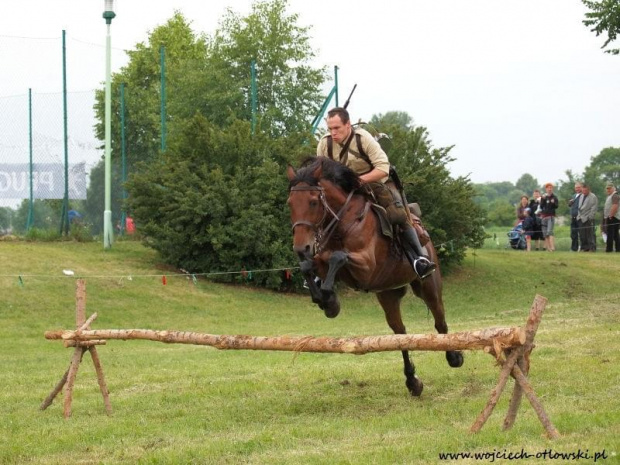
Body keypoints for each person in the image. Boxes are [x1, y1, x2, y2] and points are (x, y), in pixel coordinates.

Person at [316, 107, 435, 279]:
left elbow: (382, 168)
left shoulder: (363, 138)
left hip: (374, 183)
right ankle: (319, 266)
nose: (333, 133)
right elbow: (321, 173)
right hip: (343, 188)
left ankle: (419, 259)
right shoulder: (324, 144)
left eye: (337, 128)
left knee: (397, 213)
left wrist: (360, 180)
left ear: (348, 125)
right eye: (330, 129)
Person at [577, 183, 598, 252]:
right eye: (583, 191)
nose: (584, 192)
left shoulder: (593, 197)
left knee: (590, 234)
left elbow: (594, 208)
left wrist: (590, 217)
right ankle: (584, 248)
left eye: (585, 191)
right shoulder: (581, 196)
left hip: (588, 218)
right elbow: (580, 207)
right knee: (582, 234)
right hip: (581, 217)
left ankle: (592, 248)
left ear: (589, 190)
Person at [539, 183, 558, 252]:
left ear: (552, 189)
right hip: (544, 216)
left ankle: (552, 247)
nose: (549, 189)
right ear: (546, 189)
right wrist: (543, 200)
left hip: (551, 216)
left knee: (549, 232)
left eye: (551, 188)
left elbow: (556, 206)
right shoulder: (544, 197)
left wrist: (553, 203)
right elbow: (541, 206)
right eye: (548, 188)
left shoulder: (554, 197)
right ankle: (548, 248)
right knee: (545, 234)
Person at [603, 182, 620, 252]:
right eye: (607, 189)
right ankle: (618, 249)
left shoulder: (614, 196)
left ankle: (609, 250)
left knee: (610, 234)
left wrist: (610, 215)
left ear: (613, 188)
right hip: (612, 217)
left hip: (613, 218)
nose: (608, 190)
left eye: (609, 188)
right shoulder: (610, 196)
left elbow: (615, 206)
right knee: (616, 235)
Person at [568, 182, 583, 251]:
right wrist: (570, 203)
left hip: (580, 217)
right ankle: (574, 248)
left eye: (579, 187)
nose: (577, 189)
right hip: (573, 217)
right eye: (576, 187)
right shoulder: (574, 196)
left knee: (581, 233)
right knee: (573, 233)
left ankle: (583, 247)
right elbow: (570, 205)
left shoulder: (583, 195)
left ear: (581, 187)